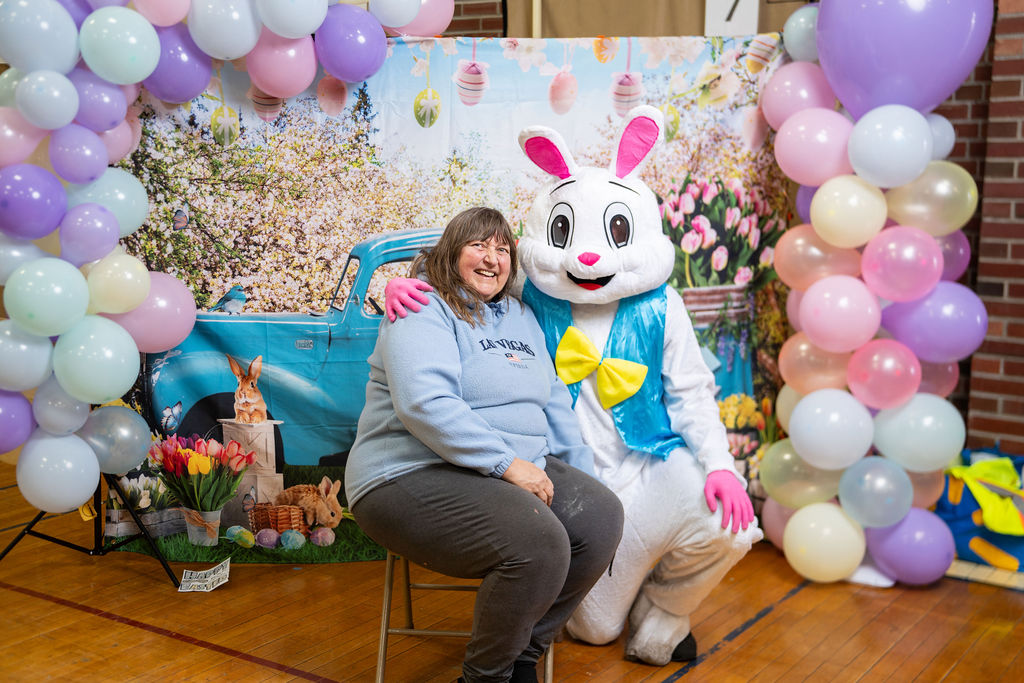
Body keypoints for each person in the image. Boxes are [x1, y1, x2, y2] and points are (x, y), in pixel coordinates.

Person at [344, 207, 624, 683]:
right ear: (452, 252)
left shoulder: (521, 315)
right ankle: (484, 677)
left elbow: (555, 403)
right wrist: (508, 465)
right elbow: (424, 404)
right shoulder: (422, 306)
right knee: (538, 543)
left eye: (502, 249)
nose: (492, 258)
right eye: (478, 245)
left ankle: (521, 659)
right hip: (409, 471)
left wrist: (584, 480)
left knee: (600, 519)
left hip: (503, 468)